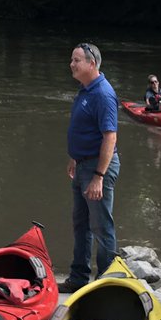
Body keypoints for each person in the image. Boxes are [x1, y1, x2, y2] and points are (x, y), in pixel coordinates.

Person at [60, 43, 120, 293]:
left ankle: (105, 285)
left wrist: (98, 176)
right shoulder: (85, 90)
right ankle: (78, 278)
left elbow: (110, 137)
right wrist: (74, 157)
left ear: (91, 63)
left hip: (97, 169)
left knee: (101, 227)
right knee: (81, 224)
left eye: (76, 60)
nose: (72, 64)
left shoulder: (103, 94)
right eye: (72, 60)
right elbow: (85, 129)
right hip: (82, 165)